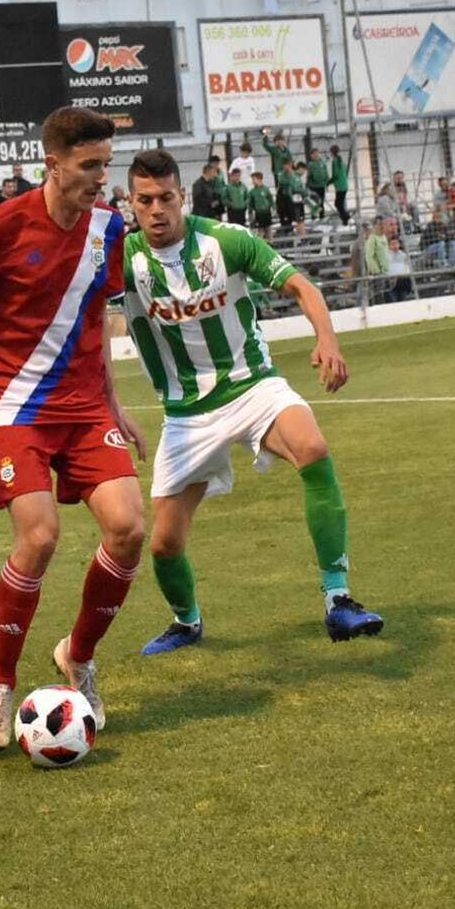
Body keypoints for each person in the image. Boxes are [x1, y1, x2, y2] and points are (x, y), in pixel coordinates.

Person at [0, 106, 145, 751]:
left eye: (106, 164)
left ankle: (78, 655)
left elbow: (95, 321)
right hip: (15, 404)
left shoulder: (109, 229)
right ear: (53, 163)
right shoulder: (2, 225)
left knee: (128, 529)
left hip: (85, 407)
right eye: (89, 165)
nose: (102, 177)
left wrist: (115, 402)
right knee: (40, 538)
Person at [113, 148, 381, 657]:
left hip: (251, 386)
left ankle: (339, 598)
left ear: (182, 196)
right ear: (131, 201)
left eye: (166, 197)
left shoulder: (225, 241)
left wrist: (327, 339)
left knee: (314, 448)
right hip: (187, 413)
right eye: (145, 200)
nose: (157, 210)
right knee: (164, 545)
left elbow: (301, 285)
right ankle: (186, 622)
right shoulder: (123, 260)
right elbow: (83, 321)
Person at [361, 221, 390, 302]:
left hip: (377, 270)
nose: (368, 232)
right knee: (371, 294)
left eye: (369, 230)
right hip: (368, 272)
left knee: (379, 293)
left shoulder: (375, 239)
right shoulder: (359, 244)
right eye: (366, 230)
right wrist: (375, 270)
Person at [387, 236, 415, 301]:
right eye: (392, 244)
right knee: (393, 301)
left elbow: (407, 268)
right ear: (389, 246)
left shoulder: (403, 255)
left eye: (396, 243)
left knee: (403, 300)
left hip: (402, 282)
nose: (395, 246)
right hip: (391, 282)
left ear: (399, 244)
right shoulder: (387, 256)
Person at [329, 145, 351, 225]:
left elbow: (336, 175)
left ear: (331, 152)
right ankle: (345, 216)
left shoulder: (335, 161)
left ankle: (346, 218)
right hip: (343, 185)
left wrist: (328, 182)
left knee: (338, 204)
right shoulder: (341, 160)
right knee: (339, 203)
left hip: (340, 186)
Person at [305, 147, 330, 217]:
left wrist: (327, 184)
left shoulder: (322, 162)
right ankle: (314, 216)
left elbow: (326, 173)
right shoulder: (310, 164)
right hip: (313, 187)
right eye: (314, 154)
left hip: (322, 186)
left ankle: (322, 216)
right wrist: (307, 185)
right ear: (311, 155)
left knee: (321, 202)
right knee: (314, 203)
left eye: (317, 153)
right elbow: (308, 175)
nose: (316, 155)